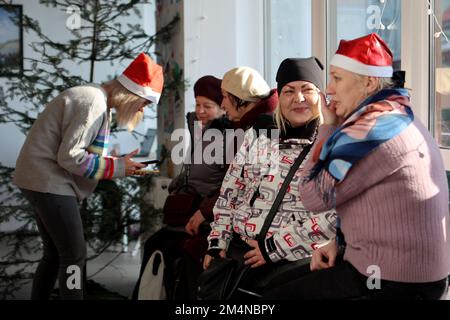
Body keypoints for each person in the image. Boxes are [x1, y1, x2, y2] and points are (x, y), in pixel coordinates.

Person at [264, 33, 450, 300]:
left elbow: (311, 195)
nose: (328, 89)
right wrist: (339, 244)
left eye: (337, 78)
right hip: (401, 271)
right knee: (273, 286)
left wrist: (327, 126)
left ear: (369, 82)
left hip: (395, 282)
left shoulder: (372, 129)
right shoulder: (392, 113)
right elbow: (371, 203)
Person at [13, 53, 164, 300]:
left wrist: (118, 163)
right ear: (133, 93)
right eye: (145, 103)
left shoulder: (95, 97)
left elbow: (75, 152)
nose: (143, 109)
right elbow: (70, 157)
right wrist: (117, 168)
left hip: (39, 179)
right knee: (73, 256)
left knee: (54, 255)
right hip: (48, 182)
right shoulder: (93, 101)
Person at [204, 58, 337, 298]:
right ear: (279, 97)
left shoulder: (332, 142)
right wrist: (218, 242)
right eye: (289, 91)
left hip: (293, 261)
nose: (298, 98)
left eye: (307, 89)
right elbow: (231, 191)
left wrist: (274, 247)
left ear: (321, 96)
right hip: (239, 255)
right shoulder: (261, 132)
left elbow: (334, 216)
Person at [132, 75, 231, 300]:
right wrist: (177, 184)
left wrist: (203, 210)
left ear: (222, 108)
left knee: (164, 248)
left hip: (203, 217)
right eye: (197, 104)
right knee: (153, 245)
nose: (201, 111)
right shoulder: (199, 132)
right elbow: (192, 171)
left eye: (208, 106)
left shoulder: (228, 138)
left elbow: (226, 183)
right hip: (185, 212)